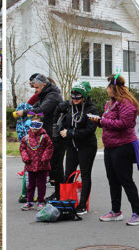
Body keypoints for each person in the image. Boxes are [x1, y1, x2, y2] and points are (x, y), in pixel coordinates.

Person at [90, 74, 139, 225]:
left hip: (123, 146)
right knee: (113, 180)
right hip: (110, 147)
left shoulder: (127, 103)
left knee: (126, 180)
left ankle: (137, 212)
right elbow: (109, 122)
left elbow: (124, 124)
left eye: (108, 87)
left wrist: (102, 121)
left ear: (113, 88)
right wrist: (98, 122)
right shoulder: (110, 104)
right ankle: (115, 211)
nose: (106, 90)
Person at [16, 73, 62, 202]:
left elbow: (42, 110)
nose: (35, 91)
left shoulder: (53, 96)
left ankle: (59, 193)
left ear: (44, 85)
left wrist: (25, 112)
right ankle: (56, 192)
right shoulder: (45, 94)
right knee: (52, 165)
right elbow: (36, 107)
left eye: (36, 88)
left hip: (55, 134)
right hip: (47, 132)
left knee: (56, 166)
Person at [60, 81, 98, 215]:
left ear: (85, 97)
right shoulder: (70, 107)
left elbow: (90, 129)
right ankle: (67, 201)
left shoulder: (91, 109)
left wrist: (71, 133)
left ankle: (82, 205)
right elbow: (65, 122)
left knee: (85, 174)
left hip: (87, 145)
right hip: (72, 145)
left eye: (78, 97)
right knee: (68, 173)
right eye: (73, 96)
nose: (75, 99)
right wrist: (62, 129)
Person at [20, 113, 54, 210]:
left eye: (37, 125)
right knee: (30, 185)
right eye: (32, 125)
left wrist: (45, 158)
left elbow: (50, 147)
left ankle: (40, 201)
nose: (34, 128)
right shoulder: (25, 138)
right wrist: (25, 157)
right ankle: (29, 201)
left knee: (41, 184)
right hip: (30, 165)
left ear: (41, 126)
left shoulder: (45, 137)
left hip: (42, 166)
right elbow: (22, 149)